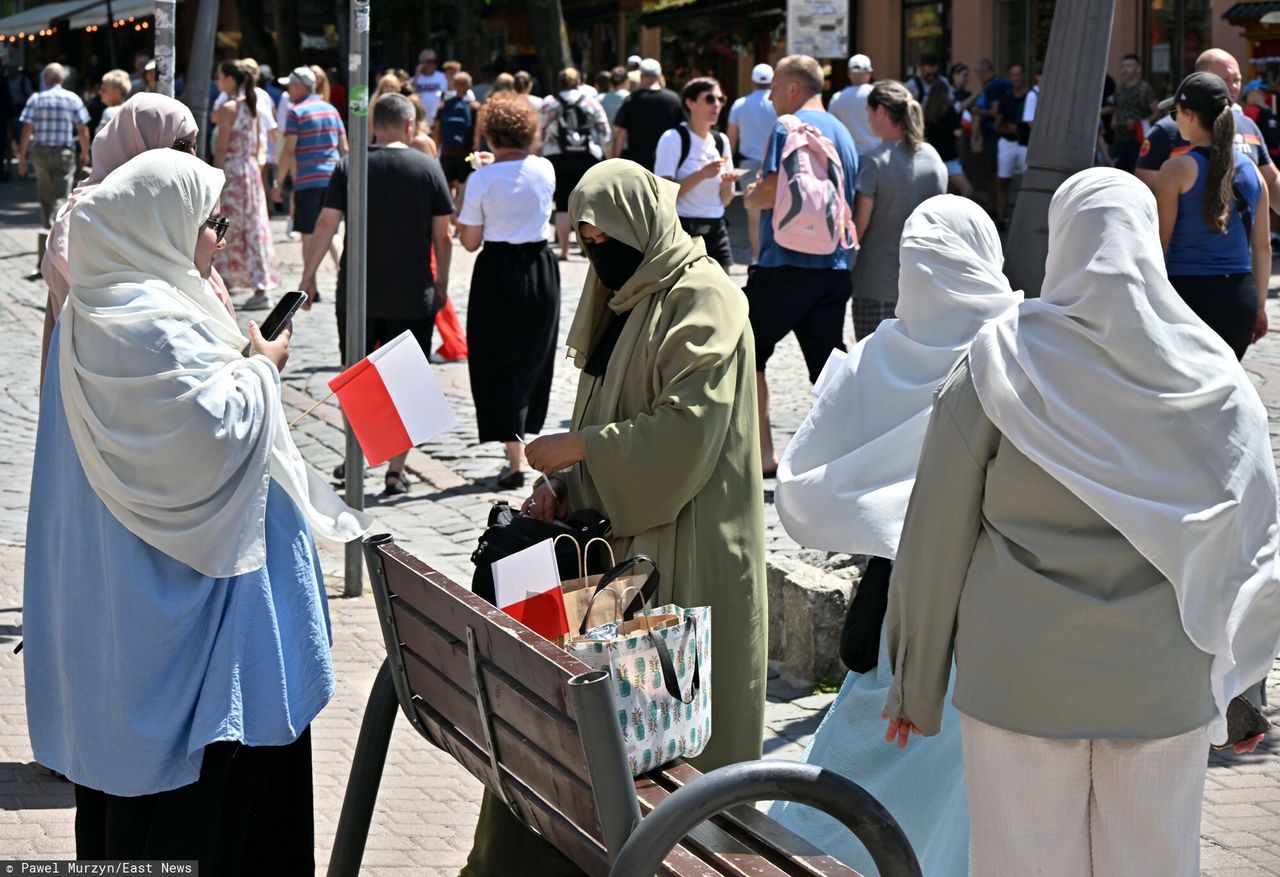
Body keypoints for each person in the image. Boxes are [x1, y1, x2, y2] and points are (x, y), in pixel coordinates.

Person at [885, 167, 1276, 875]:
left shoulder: (997, 360)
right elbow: (1252, 547)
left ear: (1058, 241)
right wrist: (1244, 694)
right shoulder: (1214, 377)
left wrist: (914, 683)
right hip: (1162, 677)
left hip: (1019, 676)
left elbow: (933, 536)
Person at [25, 147, 369, 867]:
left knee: (135, 807)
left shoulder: (104, 305)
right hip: (196, 626)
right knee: (207, 811)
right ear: (159, 225)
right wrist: (261, 370)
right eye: (210, 219)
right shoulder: (147, 324)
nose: (224, 231)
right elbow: (213, 430)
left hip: (137, 606)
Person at [470, 159, 767, 877]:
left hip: (685, 556)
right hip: (618, 556)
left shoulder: (704, 298)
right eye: (588, 238)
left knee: (675, 755)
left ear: (641, 224)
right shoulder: (628, 292)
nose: (597, 253)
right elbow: (609, 412)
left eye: (607, 237)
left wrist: (577, 449)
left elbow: (684, 433)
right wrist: (567, 485)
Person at [770, 195, 1022, 876]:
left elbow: (803, 484)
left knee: (867, 754)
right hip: (996, 614)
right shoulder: (1021, 347)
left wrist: (881, 514)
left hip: (899, 613)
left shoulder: (878, 356)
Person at [300, 93, 454, 496]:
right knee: (408, 382)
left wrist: (308, 274)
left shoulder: (350, 166)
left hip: (357, 294)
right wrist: (442, 284)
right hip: (412, 291)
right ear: (409, 126)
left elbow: (326, 224)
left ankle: (356, 458)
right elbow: (444, 235)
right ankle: (395, 472)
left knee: (356, 379)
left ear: (373, 127)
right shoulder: (426, 167)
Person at [41, 93, 236, 378]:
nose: (191, 156)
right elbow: (112, 313)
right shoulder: (82, 219)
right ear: (139, 143)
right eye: (181, 145)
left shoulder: (165, 205)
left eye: (194, 145)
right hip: (114, 380)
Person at [742, 54, 858, 475]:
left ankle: (763, 452)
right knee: (829, 366)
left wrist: (749, 195)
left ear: (792, 88)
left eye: (774, 87)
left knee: (744, 350)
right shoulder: (844, 134)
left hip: (784, 265)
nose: (770, 97)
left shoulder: (787, 126)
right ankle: (853, 451)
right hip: (834, 267)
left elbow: (771, 193)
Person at [457, 96, 560, 489]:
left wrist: (481, 180)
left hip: (497, 269)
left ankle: (514, 458)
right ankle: (523, 449)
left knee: (494, 360)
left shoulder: (480, 179)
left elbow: (470, 241)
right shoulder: (545, 168)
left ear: (491, 132)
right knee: (533, 354)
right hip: (540, 266)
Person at [1154, 72, 1269, 360]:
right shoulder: (1254, 172)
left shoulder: (1175, 170)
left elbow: (1159, 244)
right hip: (1240, 299)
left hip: (1187, 297)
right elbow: (1262, 247)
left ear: (1189, 115)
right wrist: (1259, 307)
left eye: (1175, 112)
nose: (1173, 119)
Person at [850, 81, 948, 341]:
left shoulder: (873, 162)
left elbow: (858, 227)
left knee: (874, 362)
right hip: (922, 281)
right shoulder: (933, 158)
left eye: (869, 112)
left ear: (880, 111)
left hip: (876, 281)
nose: (868, 120)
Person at [1139, 48, 1280, 220]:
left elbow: (1271, 182)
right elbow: (1145, 192)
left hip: (1240, 241)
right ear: (1201, 79)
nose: (1233, 87)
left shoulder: (1248, 125)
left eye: (1237, 80)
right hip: (1184, 240)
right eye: (1225, 80)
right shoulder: (1167, 130)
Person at [213, 60, 280, 309]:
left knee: (224, 227)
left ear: (230, 79)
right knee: (253, 228)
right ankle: (260, 285)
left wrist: (215, 177)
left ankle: (224, 282)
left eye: (220, 77)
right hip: (250, 172)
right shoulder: (251, 106)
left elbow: (222, 147)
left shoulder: (229, 108)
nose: (217, 82)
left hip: (233, 173)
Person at [272, 67, 348, 281]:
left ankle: (309, 282)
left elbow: (288, 151)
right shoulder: (331, 110)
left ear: (300, 86)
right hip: (332, 178)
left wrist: (278, 182)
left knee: (308, 232)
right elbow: (344, 147)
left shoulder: (297, 112)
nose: (288, 91)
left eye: (290, 86)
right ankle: (344, 274)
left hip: (307, 180)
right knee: (332, 231)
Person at [653, 76, 735, 269]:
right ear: (690, 103)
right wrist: (702, 174)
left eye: (720, 99)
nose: (716, 105)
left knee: (723, 292)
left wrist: (727, 183)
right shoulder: (673, 139)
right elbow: (663, 195)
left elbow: (726, 200)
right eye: (709, 99)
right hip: (683, 228)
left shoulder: (721, 141)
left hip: (716, 226)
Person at [540, 67, 611, 261]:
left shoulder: (550, 103)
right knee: (587, 204)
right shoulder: (591, 102)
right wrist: (604, 149)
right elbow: (605, 130)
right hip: (587, 157)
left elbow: (540, 129)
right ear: (579, 81)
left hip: (557, 156)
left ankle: (563, 250)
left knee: (562, 204)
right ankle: (587, 248)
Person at [17, 64, 90, 231]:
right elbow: (82, 128)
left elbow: (26, 130)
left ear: (45, 79)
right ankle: (57, 229)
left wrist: (22, 157)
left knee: (45, 194)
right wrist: (85, 151)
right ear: (62, 79)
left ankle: (47, 225)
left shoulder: (36, 99)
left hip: (40, 152)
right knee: (61, 195)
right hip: (64, 153)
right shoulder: (73, 98)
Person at [727, 64, 778, 264]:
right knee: (776, 210)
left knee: (753, 214)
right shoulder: (776, 103)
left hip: (748, 164)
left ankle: (757, 258)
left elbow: (732, 137)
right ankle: (774, 256)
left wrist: (729, 165)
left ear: (752, 81)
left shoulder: (740, 104)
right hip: (773, 163)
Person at [610, 58, 684, 170]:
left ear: (641, 76)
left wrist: (615, 162)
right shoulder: (674, 99)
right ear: (659, 75)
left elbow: (621, 133)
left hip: (638, 163)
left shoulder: (631, 100)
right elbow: (682, 129)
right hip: (668, 162)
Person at [433, 71, 481, 213]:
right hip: (466, 153)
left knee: (447, 186)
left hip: (447, 152)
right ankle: (459, 216)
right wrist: (476, 149)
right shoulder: (474, 107)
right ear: (469, 86)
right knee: (463, 187)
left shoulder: (444, 106)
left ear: (453, 85)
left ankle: (449, 214)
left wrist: (436, 149)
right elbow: (478, 131)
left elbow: (437, 130)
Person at [994, 62, 1030, 227]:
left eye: (1018, 74)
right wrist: (1003, 127)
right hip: (1007, 143)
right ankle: (1001, 218)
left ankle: (1025, 219)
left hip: (1025, 144)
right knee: (1003, 181)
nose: (1016, 78)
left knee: (1028, 182)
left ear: (1023, 76)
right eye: (1012, 75)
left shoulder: (1031, 97)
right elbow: (998, 122)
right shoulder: (1005, 98)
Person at [1111, 53, 1159, 173]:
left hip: (1137, 142)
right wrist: (1114, 120)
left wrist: (1138, 123)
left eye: (1129, 66)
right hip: (1119, 141)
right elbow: (1116, 108)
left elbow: (1157, 113)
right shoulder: (1118, 89)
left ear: (1138, 68)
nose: (1125, 69)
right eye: (1123, 66)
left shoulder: (1145, 89)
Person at [828, 54, 879, 155]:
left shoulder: (837, 98)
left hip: (851, 155)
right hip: (878, 154)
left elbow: (832, 129)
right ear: (869, 73)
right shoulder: (878, 95)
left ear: (849, 74)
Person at [1242, 79, 1280, 160]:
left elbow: (1246, 135)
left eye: (1246, 97)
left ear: (1253, 92)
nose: (1246, 101)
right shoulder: (1272, 111)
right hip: (1274, 157)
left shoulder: (1250, 110)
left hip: (1260, 158)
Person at [412, 49, 448, 127]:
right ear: (421, 63)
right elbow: (409, 94)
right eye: (429, 61)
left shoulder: (443, 77)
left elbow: (447, 96)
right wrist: (417, 76)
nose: (432, 64)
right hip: (419, 122)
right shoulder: (414, 79)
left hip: (437, 121)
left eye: (434, 61)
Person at [94, 69, 130, 136]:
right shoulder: (131, 110)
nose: (100, 92)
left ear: (116, 93)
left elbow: (102, 141)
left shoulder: (109, 112)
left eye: (103, 89)